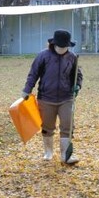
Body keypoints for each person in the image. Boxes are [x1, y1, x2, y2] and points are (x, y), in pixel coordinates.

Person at [22, 29, 83, 164]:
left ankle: (65, 155)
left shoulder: (72, 57)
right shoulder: (43, 56)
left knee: (67, 125)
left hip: (66, 98)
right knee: (47, 126)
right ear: (54, 44)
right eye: (60, 46)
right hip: (46, 98)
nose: (62, 49)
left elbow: (78, 75)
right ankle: (48, 151)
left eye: (65, 47)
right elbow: (33, 74)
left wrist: (77, 85)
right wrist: (27, 90)